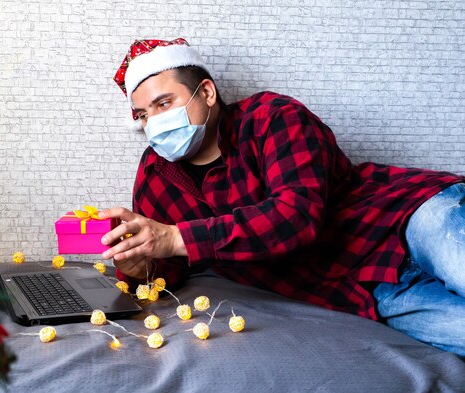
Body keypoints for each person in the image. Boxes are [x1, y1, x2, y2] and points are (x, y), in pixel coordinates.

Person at [98, 38, 465, 356]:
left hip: (406, 216)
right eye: (143, 115)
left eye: (164, 104)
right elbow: (170, 270)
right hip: (366, 287)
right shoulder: (155, 174)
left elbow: (296, 216)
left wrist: (176, 237)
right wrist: (140, 267)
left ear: (206, 93)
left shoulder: (272, 117)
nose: (154, 123)